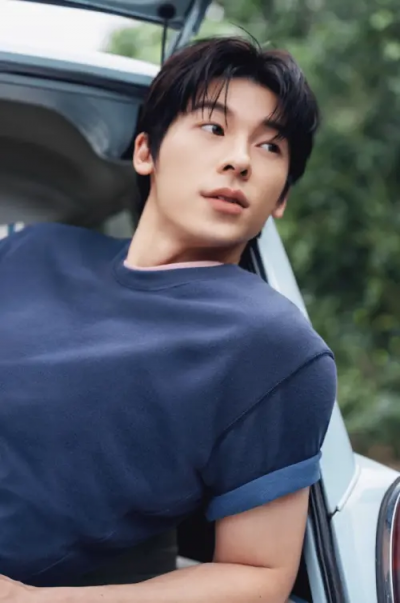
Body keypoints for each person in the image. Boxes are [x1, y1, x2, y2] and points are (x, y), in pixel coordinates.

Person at [0, 36, 336, 603]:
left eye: (271, 146)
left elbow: (259, 573)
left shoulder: (272, 346)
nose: (240, 159)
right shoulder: (32, 251)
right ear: (145, 152)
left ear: (281, 198)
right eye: (214, 127)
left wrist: (29, 601)